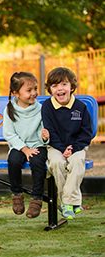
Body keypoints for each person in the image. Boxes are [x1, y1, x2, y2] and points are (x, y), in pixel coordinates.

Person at [41, 67, 93, 220]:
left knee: (77, 161)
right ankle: (72, 202)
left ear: (71, 87)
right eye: (55, 86)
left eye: (63, 84)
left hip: (76, 145)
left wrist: (74, 148)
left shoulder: (80, 107)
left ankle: (66, 203)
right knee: (56, 163)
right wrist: (63, 149)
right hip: (55, 145)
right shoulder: (47, 107)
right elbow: (50, 130)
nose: (60, 89)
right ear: (50, 90)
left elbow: (86, 133)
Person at [3, 72, 49, 218]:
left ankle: (37, 198)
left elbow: (44, 133)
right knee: (14, 160)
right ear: (16, 93)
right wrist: (24, 149)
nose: (34, 93)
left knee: (37, 162)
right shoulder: (9, 110)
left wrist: (45, 138)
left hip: (37, 145)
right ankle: (17, 194)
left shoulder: (41, 109)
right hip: (19, 146)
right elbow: (9, 134)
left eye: (35, 89)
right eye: (29, 90)